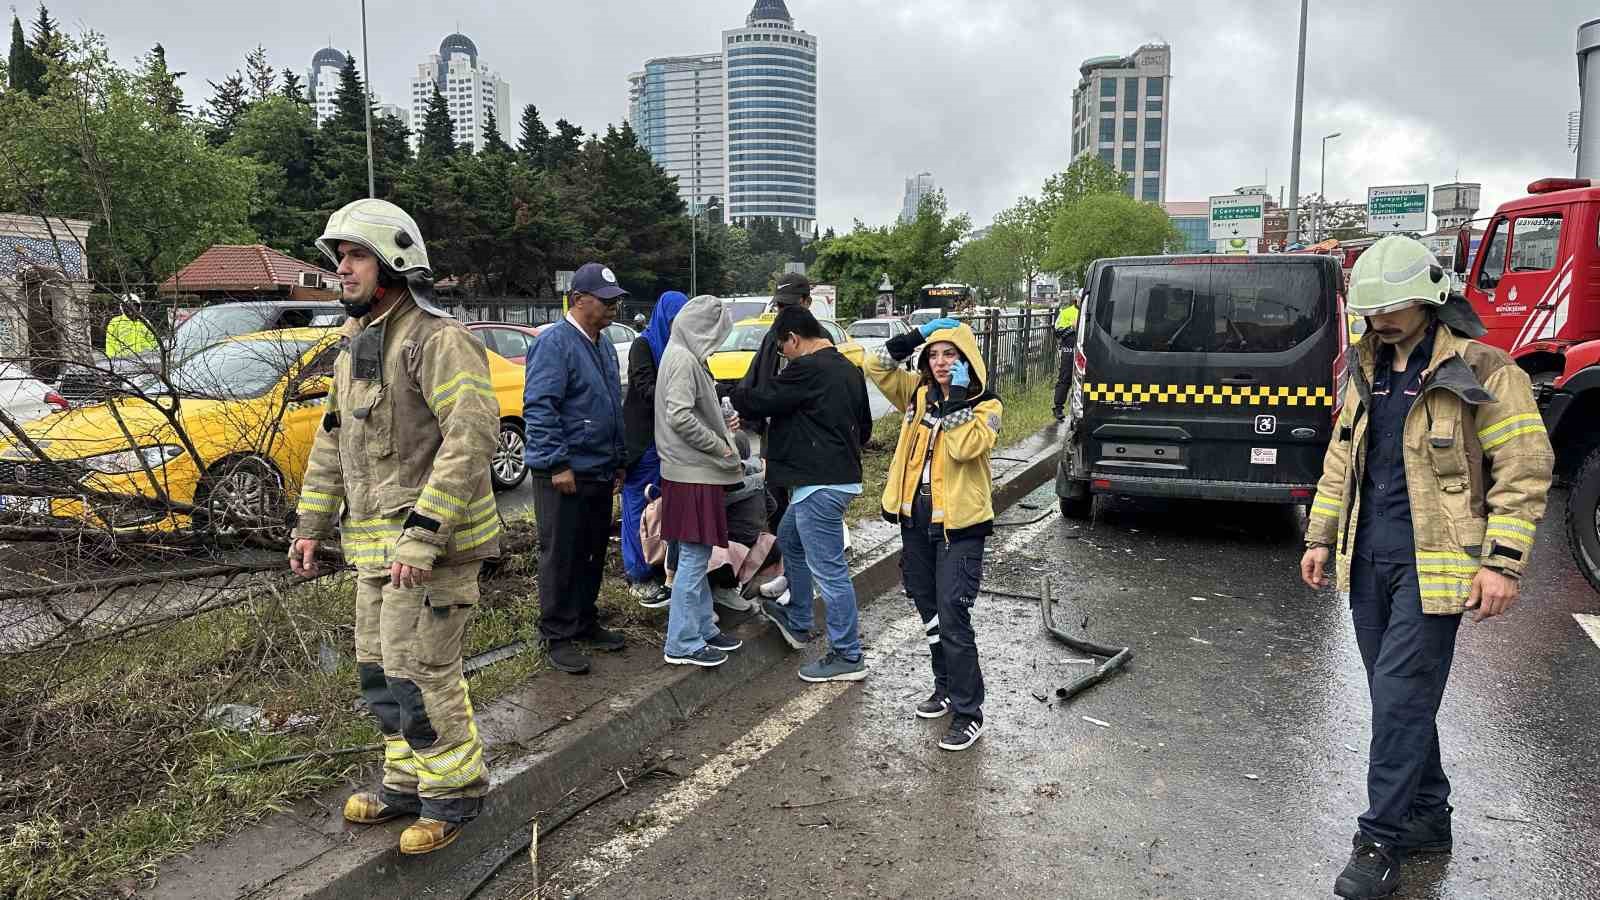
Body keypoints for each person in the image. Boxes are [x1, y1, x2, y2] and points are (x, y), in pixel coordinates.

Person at [1299, 236, 1553, 899]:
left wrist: (1502, 563)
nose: (1380, 321)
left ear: (1430, 300)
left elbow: (1523, 473)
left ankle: (1380, 839)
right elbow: (1340, 460)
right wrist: (1320, 537)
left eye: (1393, 309)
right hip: (1369, 560)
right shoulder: (1366, 369)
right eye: (1372, 310)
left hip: (1435, 566)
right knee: (1397, 698)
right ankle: (1429, 814)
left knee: (1401, 699)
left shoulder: (1484, 370)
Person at [288, 198, 500, 855]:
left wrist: (425, 533)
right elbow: (332, 442)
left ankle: (454, 796)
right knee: (379, 672)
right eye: (339, 258)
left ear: (393, 264)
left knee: (423, 673)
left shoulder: (438, 340)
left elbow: (471, 437)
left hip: (431, 552)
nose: (341, 270)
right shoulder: (355, 347)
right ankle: (405, 785)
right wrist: (310, 523)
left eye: (354, 256)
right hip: (376, 555)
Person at [864, 316, 1003, 751]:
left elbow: (964, 449)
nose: (942, 363)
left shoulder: (987, 407)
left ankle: (968, 712)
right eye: (935, 355)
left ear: (966, 360)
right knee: (930, 612)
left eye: (951, 354)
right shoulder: (918, 395)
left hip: (959, 528)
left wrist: (957, 397)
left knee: (954, 615)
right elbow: (876, 365)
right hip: (914, 521)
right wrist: (920, 334)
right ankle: (943, 687)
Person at [729, 305, 873, 683]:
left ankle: (847, 654)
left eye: (782, 349)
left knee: (830, 572)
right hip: (835, 480)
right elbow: (866, 428)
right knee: (790, 539)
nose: (783, 356)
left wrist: (729, 393)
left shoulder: (808, 368)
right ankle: (800, 620)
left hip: (820, 485)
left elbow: (760, 400)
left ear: (794, 338)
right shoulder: (849, 370)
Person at [522, 262, 628, 676]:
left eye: (615, 301)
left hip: (598, 468)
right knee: (561, 553)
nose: (613, 308)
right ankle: (557, 633)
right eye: (606, 302)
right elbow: (541, 407)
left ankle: (584, 619)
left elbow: (609, 406)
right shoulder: (555, 344)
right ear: (580, 300)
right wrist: (556, 464)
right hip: (565, 472)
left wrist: (618, 459)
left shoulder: (600, 343)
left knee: (591, 551)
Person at [654, 294, 747, 667]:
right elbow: (679, 416)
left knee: (697, 554)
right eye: (717, 333)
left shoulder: (683, 355)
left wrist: (722, 427)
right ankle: (682, 641)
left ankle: (702, 629)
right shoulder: (682, 359)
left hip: (689, 471)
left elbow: (688, 411)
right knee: (694, 557)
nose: (718, 340)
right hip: (692, 471)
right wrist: (719, 446)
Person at [622, 291, 689, 608]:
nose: (678, 326)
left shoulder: (684, 348)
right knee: (640, 506)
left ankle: (663, 567)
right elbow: (644, 387)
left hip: (672, 442)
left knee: (666, 508)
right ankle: (638, 574)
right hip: (645, 442)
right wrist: (680, 398)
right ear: (664, 317)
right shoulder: (644, 345)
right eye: (674, 320)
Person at [1050, 290, 1081, 422]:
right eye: (1080, 298)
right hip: (1069, 350)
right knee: (1065, 378)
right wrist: (1072, 327)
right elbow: (1057, 331)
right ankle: (1058, 407)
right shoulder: (1066, 312)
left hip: (1084, 350)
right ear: (1076, 299)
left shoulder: (1089, 310)